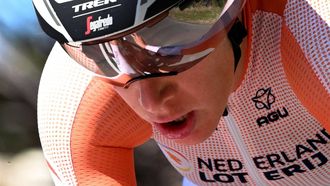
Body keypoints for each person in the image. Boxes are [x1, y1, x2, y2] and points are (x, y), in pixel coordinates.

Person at [33, 0, 329, 185]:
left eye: (167, 42)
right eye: (102, 54)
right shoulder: (75, 89)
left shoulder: (317, 33)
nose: (151, 100)